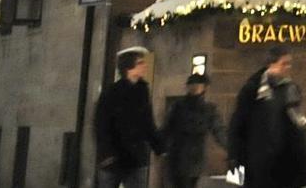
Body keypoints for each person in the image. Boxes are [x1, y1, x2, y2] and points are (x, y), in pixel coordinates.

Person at [228, 45, 306, 188]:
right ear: (271, 64)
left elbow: (297, 127)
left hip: (284, 165)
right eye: (284, 63)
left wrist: (304, 163)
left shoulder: (291, 89)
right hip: (257, 164)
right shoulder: (253, 89)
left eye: (289, 63)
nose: (288, 67)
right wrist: (235, 162)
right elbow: (238, 125)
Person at [93, 47, 162, 188]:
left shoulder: (142, 91)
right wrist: (107, 153)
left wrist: (159, 146)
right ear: (129, 68)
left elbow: (147, 122)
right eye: (140, 63)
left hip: (136, 158)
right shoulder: (111, 92)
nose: (145, 66)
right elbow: (101, 124)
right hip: (114, 158)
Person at [161, 73, 225, 188]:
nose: (195, 87)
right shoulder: (179, 106)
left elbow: (219, 130)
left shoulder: (207, 108)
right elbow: (167, 128)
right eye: (192, 84)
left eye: (198, 85)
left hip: (192, 156)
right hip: (180, 154)